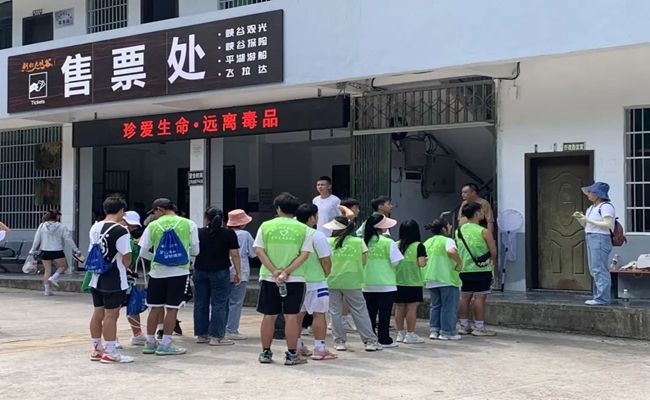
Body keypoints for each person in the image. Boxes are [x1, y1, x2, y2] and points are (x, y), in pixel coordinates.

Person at [254, 193, 313, 366]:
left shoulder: (266, 226)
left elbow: (259, 251)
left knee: (269, 316)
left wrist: (274, 271)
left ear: (278, 209)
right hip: (295, 278)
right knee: (291, 317)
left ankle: (265, 352)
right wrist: (286, 272)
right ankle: (292, 354)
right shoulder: (304, 229)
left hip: (269, 277)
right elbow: (304, 255)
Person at [138, 198, 199, 356]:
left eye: (154, 212)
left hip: (157, 273)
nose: (154, 216)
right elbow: (195, 250)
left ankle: (150, 343)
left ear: (160, 209)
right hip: (179, 272)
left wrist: (157, 258)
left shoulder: (152, 226)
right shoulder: (189, 224)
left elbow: (143, 252)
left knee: (155, 308)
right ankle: (166, 344)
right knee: (172, 309)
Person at [324, 216, 382, 352]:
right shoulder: (358, 242)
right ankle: (370, 341)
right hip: (353, 281)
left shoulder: (327, 242)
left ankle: (339, 342)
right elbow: (364, 261)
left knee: (335, 312)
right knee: (360, 311)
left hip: (331, 280)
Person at [88, 197, 133, 363]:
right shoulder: (121, 230)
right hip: (114, 278)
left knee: (98, 312)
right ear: (121, 211)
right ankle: (110, 352)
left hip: (96, 276)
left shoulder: (95, 227)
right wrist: (127, 268)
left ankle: (97, 349)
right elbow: (126, 256)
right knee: (111, 315)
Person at [193, 207, 241, 346]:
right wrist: (238, 272)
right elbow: (235, 254)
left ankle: (202, 335)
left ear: (206, 218)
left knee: (200, 303)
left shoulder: (199, 232)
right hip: (220, 271)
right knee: (219, 304)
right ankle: (216, 336)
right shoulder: (229, 233)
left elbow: (193, 250)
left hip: (200, 270)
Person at [295, 204, 337, 361]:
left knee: (297, 315)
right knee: (319, 314)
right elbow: (325, 259)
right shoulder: (317, 235)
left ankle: (296, 346)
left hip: (296, 280)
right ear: (312, 217)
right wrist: (326, 274)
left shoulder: (293, 234)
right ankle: (319, 348)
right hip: (316, 281)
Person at [456, 202, 498, 336]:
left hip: (464, 269)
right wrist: (492, 264)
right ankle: (479, 327)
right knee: (480, 298)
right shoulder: (484, 231)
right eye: (480, 211)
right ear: (476, 214)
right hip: (481, 270)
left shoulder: (459, 231)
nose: (482, 213)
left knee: (464, 297)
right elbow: (493, 251)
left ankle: (463, 326)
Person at [362, 214, 403, 348]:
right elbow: (396, 262)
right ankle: (384, 339)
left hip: (366, 283)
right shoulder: (388, 242)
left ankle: (370, 339)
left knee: (369, 314)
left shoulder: (363, 242)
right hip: (386, 284)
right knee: (384, 314)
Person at [573, 182, 615, 306]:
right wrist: (581, 218)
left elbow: (608, 224)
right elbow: (586, 225)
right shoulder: (591, 208)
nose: (588, 194)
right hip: (591, 236)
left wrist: (588, 220)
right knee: (594, 269)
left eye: (590, 192)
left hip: (600, 238)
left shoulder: (606, 207)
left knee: (600, 269)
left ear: (598, 194)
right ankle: (598, 297)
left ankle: (602, 299)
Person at [423, 219, 463, 340]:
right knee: (449, 306)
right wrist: (459, 263)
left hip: (431, 278)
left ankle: (434, 330)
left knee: (435, 306)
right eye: (448, 226)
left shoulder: (428, 242)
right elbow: (451, 251)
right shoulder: (448, 240)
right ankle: (447, 332)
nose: (450, 227)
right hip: (447, 278)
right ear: (443, 229)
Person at [29, 209, 83, 296]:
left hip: (44, 250)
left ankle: (47, 291)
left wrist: (32, 250)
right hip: (57, 250)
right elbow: (68, 239)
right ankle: (54, 277)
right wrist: (76, 250)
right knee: (64, 266)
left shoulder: (42, 225)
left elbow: (37, 239)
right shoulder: (62, 227)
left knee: (47, 270)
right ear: (57, 217)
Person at [394, 220, 427, 344]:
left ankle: (400, 334)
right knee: (411, 308)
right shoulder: (419, 246)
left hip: (397, 281)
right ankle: (410, 334)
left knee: (399, 308)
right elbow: (421, 263)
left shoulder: (395, 244)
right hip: (413, 282)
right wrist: (426, 260)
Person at [225, 209, 256, 340]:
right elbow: (253, 253)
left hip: (225, 269)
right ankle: (232, 330)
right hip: (241, 270)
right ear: (242, 223)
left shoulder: (225, 233)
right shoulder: (245, 235)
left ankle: (220, 328)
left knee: (223, 301)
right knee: (236, 302)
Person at [120, 211, 147, 346]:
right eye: (129, 224)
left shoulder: (129, 238)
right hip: (117, 277)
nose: (131, 227)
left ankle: (137, 334)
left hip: (127, 278)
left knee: (133, 306)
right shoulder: (121, 236)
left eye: (133, 226)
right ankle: (111, 339)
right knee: (112, 310)